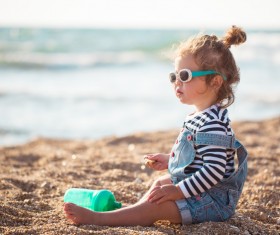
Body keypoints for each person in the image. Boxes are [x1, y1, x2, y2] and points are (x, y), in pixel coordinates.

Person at [63, 26, 248, 226]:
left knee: (157, 204)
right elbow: (197, 158)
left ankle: (99, 218)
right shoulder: (200, 115)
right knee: (160, 183)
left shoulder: (213, 124)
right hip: (200, 192)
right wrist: (171, 161)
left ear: (215, 82)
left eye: (184, 76)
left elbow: (213, 170)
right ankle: (131, 212)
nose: (177, 82)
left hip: (212, 202)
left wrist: (177, 191)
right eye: (174, 76)